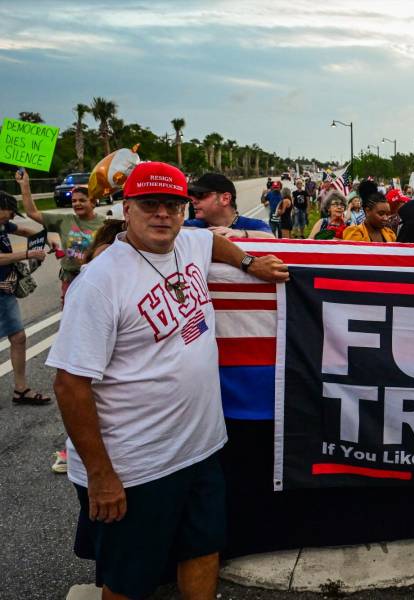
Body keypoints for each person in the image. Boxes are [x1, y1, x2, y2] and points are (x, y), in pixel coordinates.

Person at [46, 161, 289, 600]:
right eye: (150, 204)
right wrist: (101, 475)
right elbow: (70, 385)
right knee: (128, 578)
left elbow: (214, 244)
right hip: (135, 466)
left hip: (201, 449)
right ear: (126, 208)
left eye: (173, 205)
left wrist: (250, 261)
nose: (162, 214)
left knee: (203, 548)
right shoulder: (101, 283)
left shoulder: (189, 242)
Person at [17, 169, 105, 303]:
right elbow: (31, 213)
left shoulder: (105, 223)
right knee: (70, 319)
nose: (77, 204)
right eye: (74, 201)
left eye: (82, 200)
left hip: (96, 281)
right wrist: (25, 185)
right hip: (70, 280)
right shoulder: (65, 220)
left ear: (93, 202)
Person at [0, 191, 49, 405]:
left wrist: (43, 241)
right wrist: (28, 254)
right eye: (10, 213)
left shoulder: (3, 225)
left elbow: (25, 230)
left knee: (18, 337)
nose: (11, 218)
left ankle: (21, 390)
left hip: (5, 291)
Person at [186, 173, 273, 238]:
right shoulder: (192, 225)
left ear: (225, 199)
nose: (193, 201)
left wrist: (242, 234)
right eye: (191, 196)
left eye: (200, 195)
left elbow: (271, 238)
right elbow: (176, 230)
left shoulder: (254, 226)